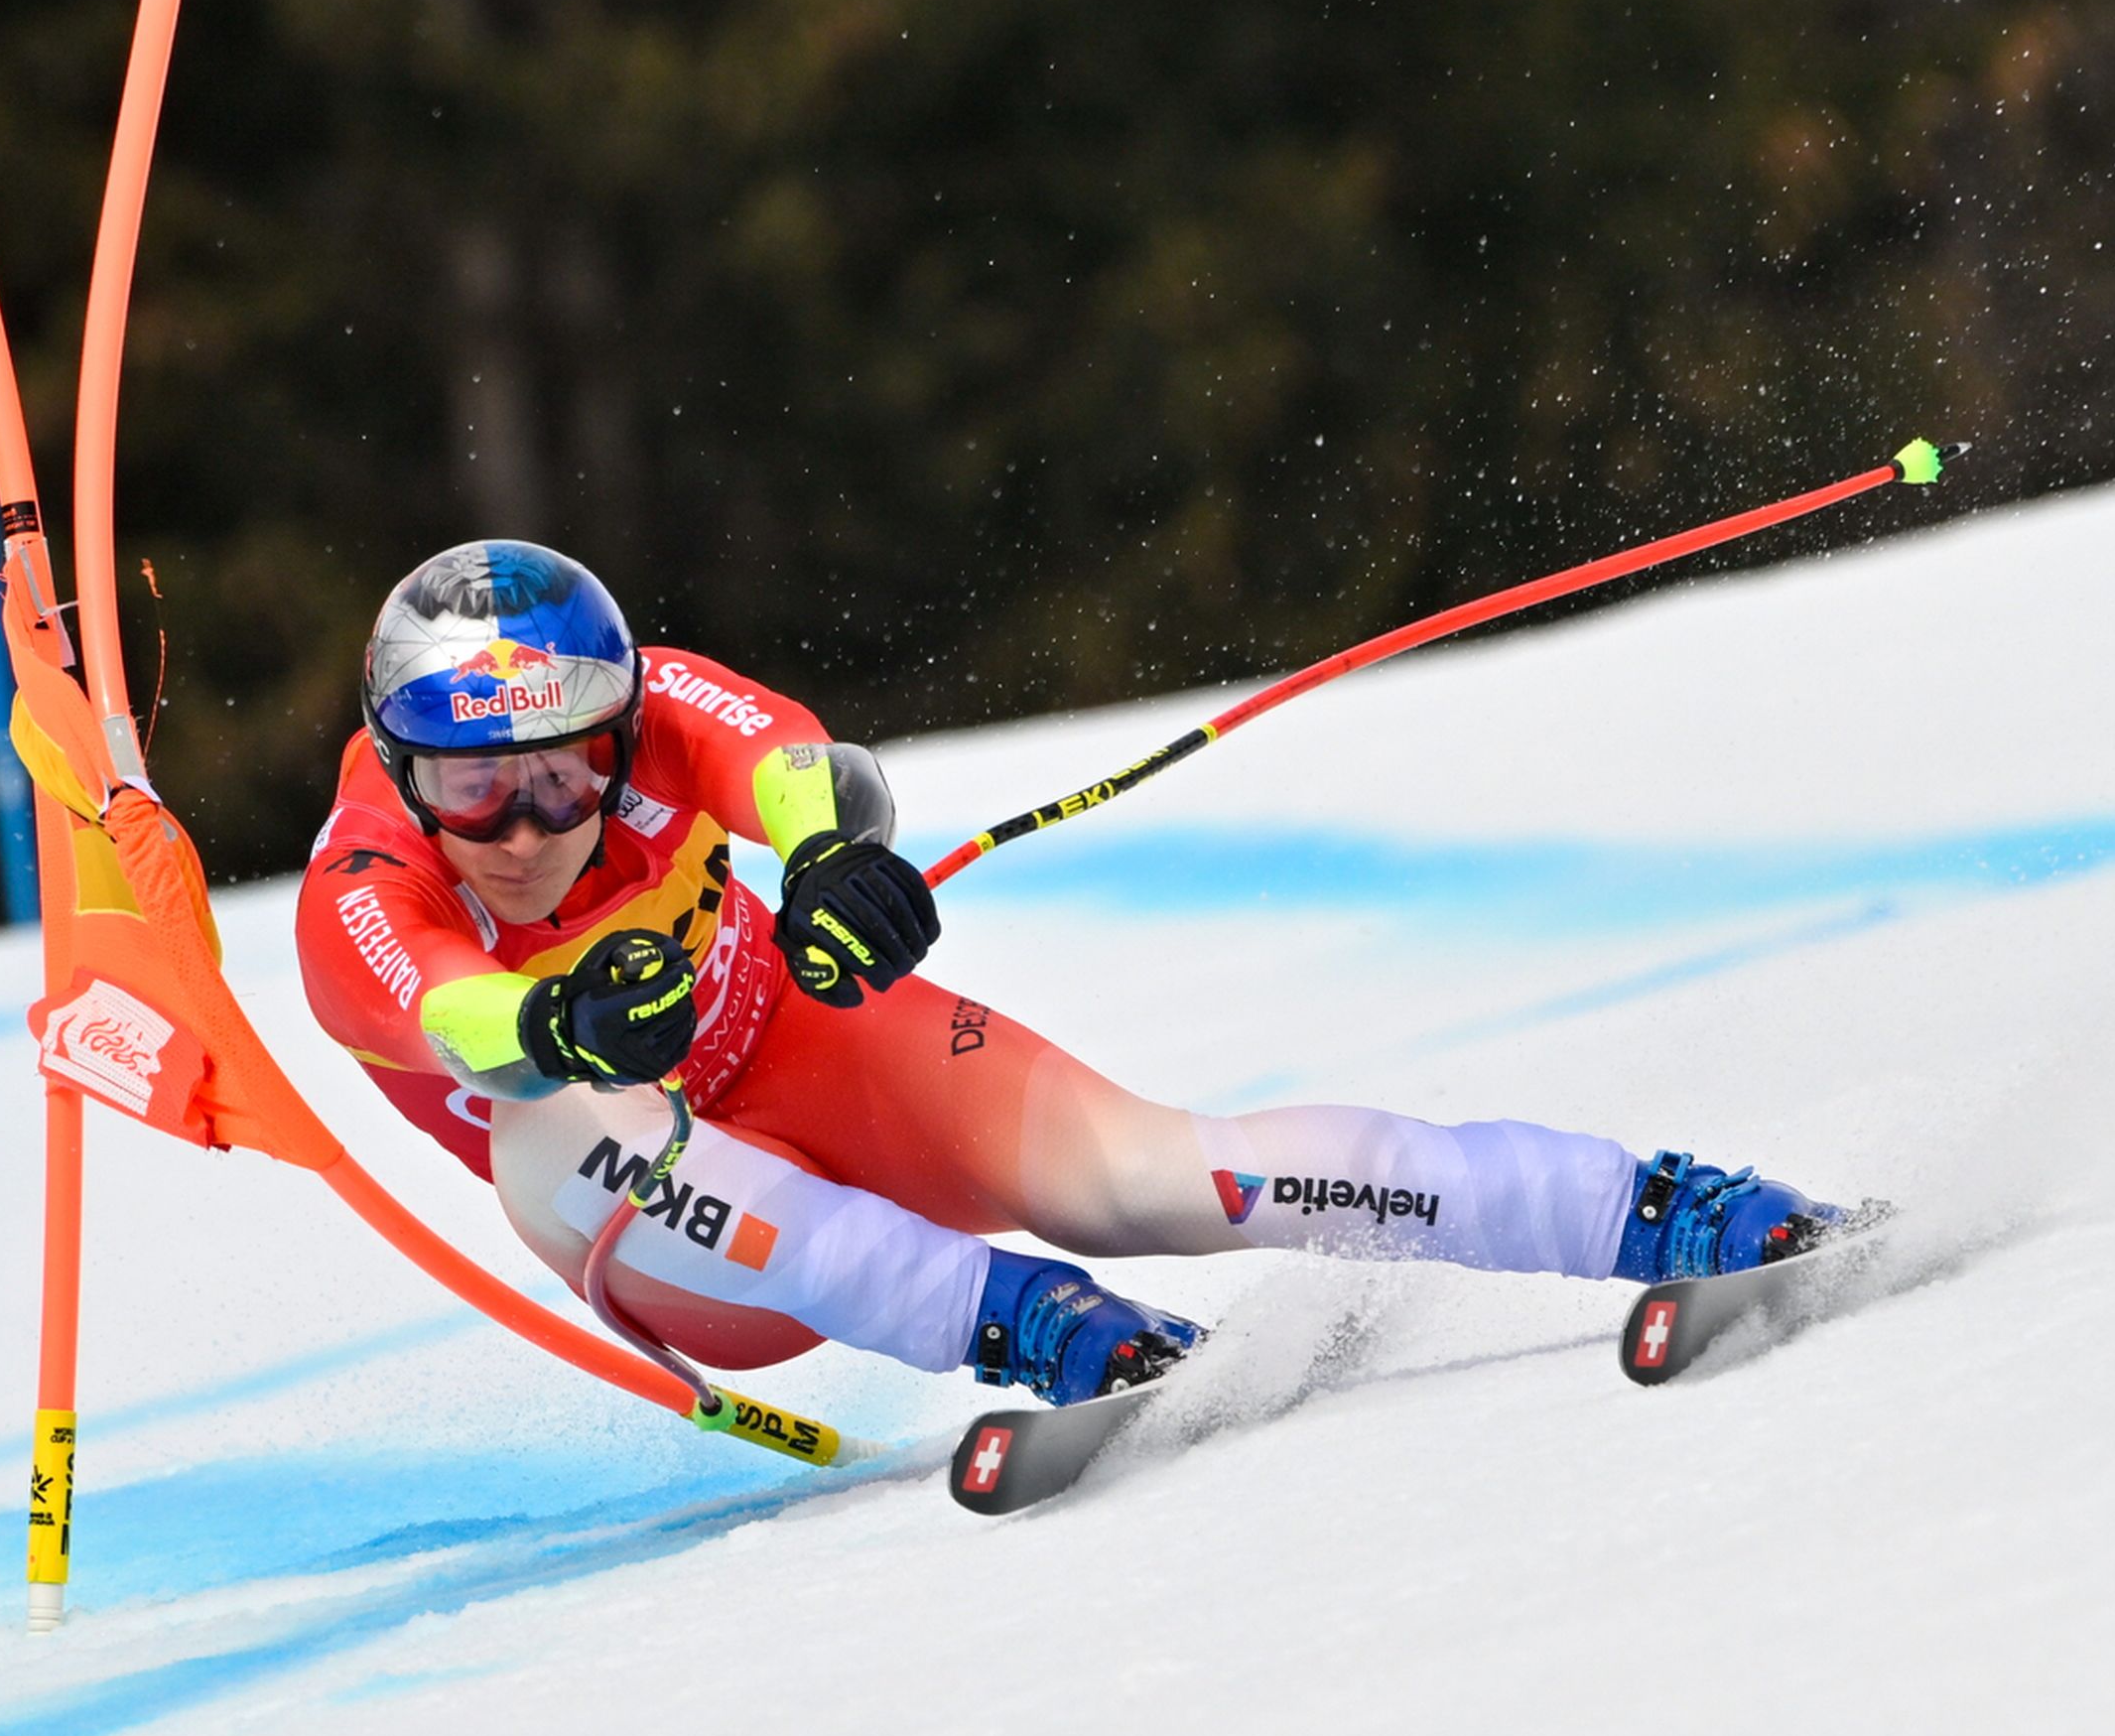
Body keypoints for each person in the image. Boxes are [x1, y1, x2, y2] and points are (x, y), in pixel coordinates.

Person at [297, 541, 1845, 1406]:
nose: (521, 831)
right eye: (471, 789)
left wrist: (835, 860)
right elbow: (426, 1007)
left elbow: (791, 763)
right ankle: (1033, 1326)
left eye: (563, 777)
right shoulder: (363, 880)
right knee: (559, 1119)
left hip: (811, 1056)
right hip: (696, 1245)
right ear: (397, 765)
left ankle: (1645, 1207)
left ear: (619, 734)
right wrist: (558, 1017)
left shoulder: (658, 708)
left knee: (1159, 1171)